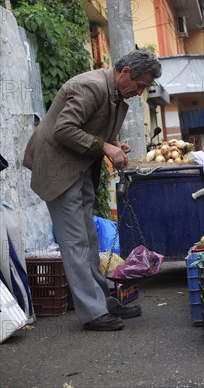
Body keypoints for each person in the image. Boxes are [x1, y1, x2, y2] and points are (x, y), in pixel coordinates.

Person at [23, 49, 162, 330]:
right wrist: (105, 146)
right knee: (75, 243)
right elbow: (64, 129)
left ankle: (102, 301)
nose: (140, 92)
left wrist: (113, 144)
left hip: (80, 168)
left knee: (88, 240)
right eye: (139, 85)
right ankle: (92, 313)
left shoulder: (118, 94)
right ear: (125, 73)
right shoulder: (91, 86)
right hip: (58, 169)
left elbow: (95, 130)